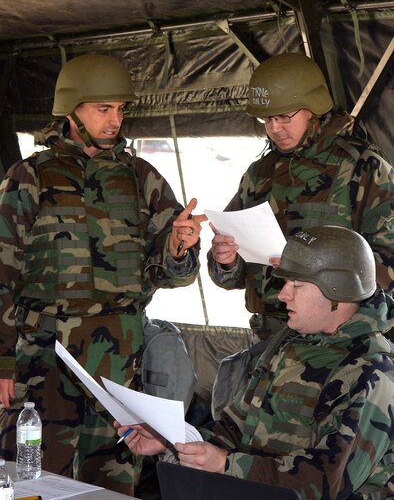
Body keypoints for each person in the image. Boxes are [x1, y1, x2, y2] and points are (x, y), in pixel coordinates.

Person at [0, 53, 206, 495]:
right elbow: (2, 273)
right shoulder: (30, 178)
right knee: (32, 482)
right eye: (103, 109)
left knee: (112, 483)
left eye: (120, 109)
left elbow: (171, 272)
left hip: (119, 365)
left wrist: (178, 247)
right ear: (72, 110)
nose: (115, 121)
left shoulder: (141, 178)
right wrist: (1, 361)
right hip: (44, 362)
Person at [116, 225, 394, 499]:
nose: (283, 294)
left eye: (296, 285)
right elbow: (234, 428)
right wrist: (170, 442)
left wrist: (225, 464)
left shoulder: (373, 372)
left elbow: (327, 481)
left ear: (338, 292)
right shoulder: (290, 343)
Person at [207, 52, 394, 340]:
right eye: (267, 119)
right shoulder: (259, 174)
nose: (274, 128)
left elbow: (387, 268)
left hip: (339, 340)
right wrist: (225, 260)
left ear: (314, 108)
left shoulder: (362, 167)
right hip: (270, 337)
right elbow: (233, 273)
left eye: (284, 116)